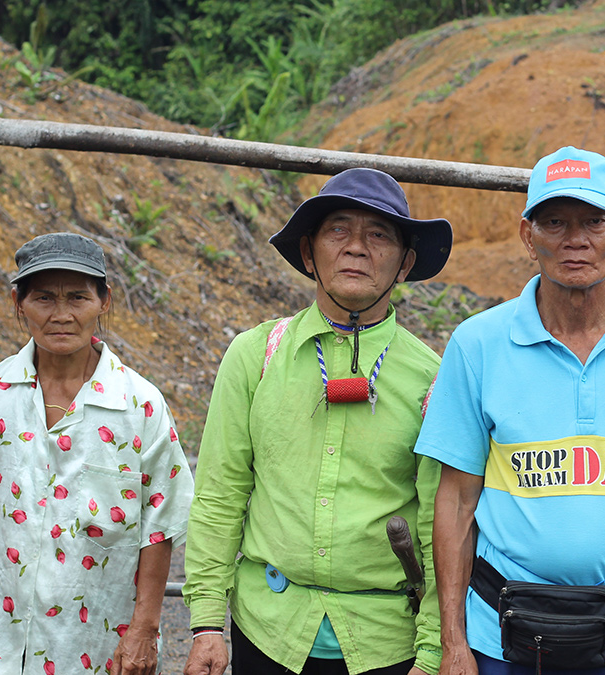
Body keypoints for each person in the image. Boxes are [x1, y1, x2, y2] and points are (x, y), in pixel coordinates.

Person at [414, 146, 605, 675]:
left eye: (594, 221)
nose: (575, 239)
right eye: (555, 222)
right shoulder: (478, 344)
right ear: (528, 236)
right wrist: (453, 643)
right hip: (500, 633)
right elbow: (456, 501)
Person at [181, 168, 453, 675]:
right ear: (309, 254)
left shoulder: (433, 380)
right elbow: (220, 493)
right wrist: (206, 625)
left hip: (385, 642)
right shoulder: (256, 356)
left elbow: (441, 525)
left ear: (405, 263)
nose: (356, 248)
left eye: (379, 235)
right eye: (338, 230)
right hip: (267, 632)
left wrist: (434, 649)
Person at [0, 232, 193, 674]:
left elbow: (160, 523)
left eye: (77, 297)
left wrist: (145, 628)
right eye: (43, 298)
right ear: (18, 303)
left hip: (97, 643)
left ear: (103, 301)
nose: (61, 315)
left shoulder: (138, 405)